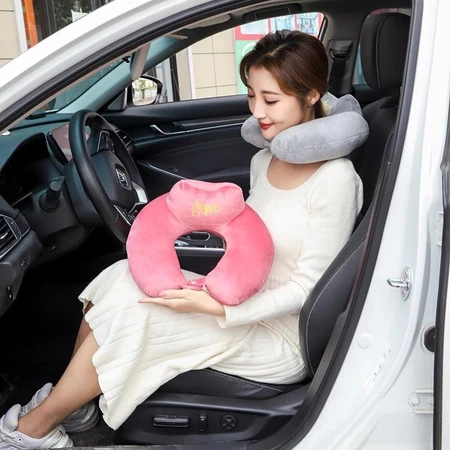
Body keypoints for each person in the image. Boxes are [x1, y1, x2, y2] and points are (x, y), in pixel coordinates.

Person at [0, 30, 363, 448]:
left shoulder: (335, 179)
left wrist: (219, 308)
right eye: (251, 96)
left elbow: (309, 288)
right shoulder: (267, 158)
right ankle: (76, 408)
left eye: (271, 100)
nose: (257, 112)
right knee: (120, 276)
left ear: (311, 94)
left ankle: (34, 430)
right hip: (241, 299)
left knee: (137, 312)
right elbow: (245, 242)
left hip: (279, 335)